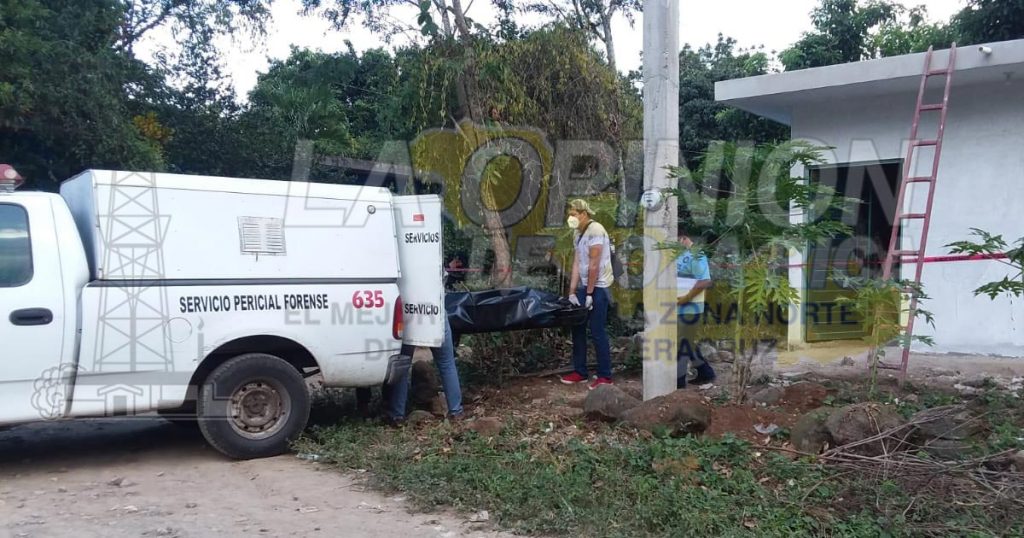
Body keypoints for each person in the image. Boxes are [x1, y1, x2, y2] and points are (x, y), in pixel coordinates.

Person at [559, 199, 614, 390]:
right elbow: (577, 263)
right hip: (585, 286)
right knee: (578, 326)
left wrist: (590, 294)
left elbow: (594, 265)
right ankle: (580, 371)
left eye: (573, 214)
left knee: (597, 330)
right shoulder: (577, 233)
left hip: (599, 287)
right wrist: (572, 292)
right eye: (570, 214)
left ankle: (605, 375)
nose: (571, 218)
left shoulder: (596, 230)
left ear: (584, 214)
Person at [387, 315, 464, 424]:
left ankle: (397, 415)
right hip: (435, 315)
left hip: (409, 317)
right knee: (447, 364)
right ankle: (456, 412)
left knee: (402, 364)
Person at [676, 231, 715, 389]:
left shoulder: (697, 254)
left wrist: (686, 298)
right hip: (678, 306)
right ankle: (705, 372)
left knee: (682, 344)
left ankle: (679, 383)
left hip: (691, 307)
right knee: (686, 342)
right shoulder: (679, 253)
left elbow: (705, 281)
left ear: (683, 238)